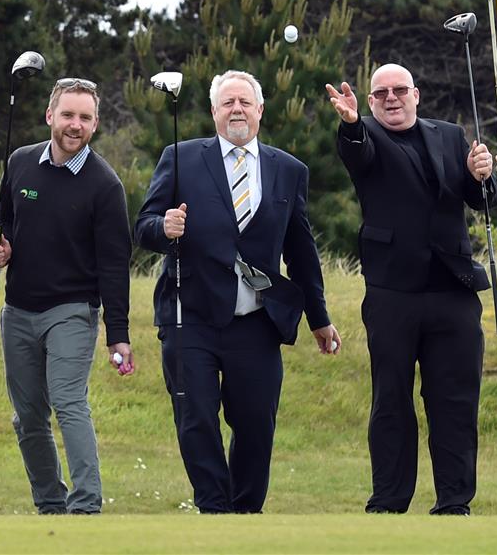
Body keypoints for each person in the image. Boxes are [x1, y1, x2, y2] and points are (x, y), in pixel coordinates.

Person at [135, 70, 342, 513]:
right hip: (189, 314)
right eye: (227, 103)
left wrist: (319, 319)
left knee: (255, 424)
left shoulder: (289, 170)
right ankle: (213, 507)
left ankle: (246, 512)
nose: (236, 110)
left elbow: (302, 251)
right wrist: (163, 227)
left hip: (257, 321)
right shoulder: (181, 157)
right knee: (197, 418)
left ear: (260, 110)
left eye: (245, 103)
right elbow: (144, 226)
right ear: (213, 111)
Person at [324, 64, 497, 515]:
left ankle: (454, 502)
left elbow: (480, 199)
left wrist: (482, 175)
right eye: (381, 93)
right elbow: (357, 153)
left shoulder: (449, 135)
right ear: (369, 102)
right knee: (391, 399)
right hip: (392, 292)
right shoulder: (363, 133)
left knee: (455, 402)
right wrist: (349, 124)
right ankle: (389, 501)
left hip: (453, 288)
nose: (391, 98)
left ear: (416, 94)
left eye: (399, 90)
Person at [0, 77, 134, 515]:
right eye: (68, 115)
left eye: (85, 118)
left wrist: (118, 334)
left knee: (69, 402)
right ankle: (49, 502)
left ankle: (86, 505)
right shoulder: (20, 162)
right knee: (28, 416)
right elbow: (4, 217)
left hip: (72, 310)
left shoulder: (105, 186)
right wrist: (2, 244)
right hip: (17, 310)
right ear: (50, 116)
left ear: (95, 124)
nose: (76, 125)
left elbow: (114, 266)